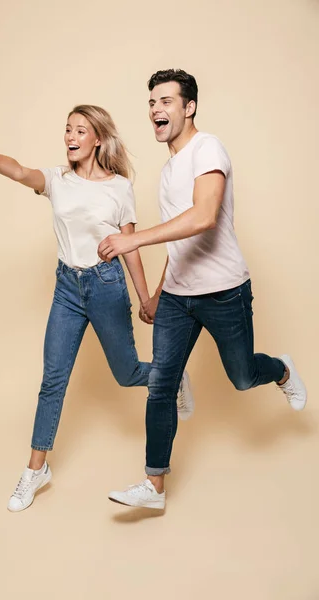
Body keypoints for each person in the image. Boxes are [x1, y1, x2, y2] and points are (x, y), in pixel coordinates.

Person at [0, 104, 194, 512]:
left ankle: (172, 374)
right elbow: (18, 170)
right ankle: (35, 470)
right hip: (67, 285)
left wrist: (146, 297)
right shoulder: (56, 179)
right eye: (68, 129)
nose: (71, 136)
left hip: (105, 285)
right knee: (53, 380)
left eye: (80, 130)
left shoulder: (119, 187)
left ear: (97, 138)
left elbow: (130, 247)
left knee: (128, 373)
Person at [98, 70, 307, 510]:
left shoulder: (207, 148)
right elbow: (180, 240)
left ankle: (281, 370)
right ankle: (154, 486)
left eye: (166, 101)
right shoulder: (169, 168)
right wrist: (156, 293)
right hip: (177, 297)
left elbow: (204, 217)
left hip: (224, 292)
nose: (156, 109)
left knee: (243, 376)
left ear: (188, 107)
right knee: (161, 385)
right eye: (152, 102)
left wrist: (132, 239)